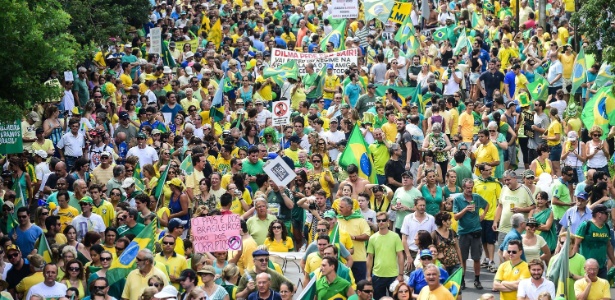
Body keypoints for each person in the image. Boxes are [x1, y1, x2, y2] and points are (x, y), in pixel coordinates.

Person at [453, 178, 489, 289]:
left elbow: (487, 204)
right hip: (463, 232)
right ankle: (462, 280)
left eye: (471, 188)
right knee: (462, 258)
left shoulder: (477, 197)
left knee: (477, 258)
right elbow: (455, 217)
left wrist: (483, 215)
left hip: (476, 231)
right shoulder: (458, 199)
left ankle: (477, 280)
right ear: (463, 188)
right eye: (467, 188)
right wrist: (465, 209)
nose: (469, 190)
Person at [366, 212, 405, 299]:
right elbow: (370, 257)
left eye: (383, 220)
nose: (381, 222)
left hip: (393, 275)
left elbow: (400, 256)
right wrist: (368, 275)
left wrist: (401, 274)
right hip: (377, 275)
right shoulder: (372, 238)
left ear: (387, 221)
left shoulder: (395, 237)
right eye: (379, 220)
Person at [573, 204, 615, 279]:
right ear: (599, 214)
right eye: (606, 213)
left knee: (602, 288)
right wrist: (575, 263)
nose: (608, 215)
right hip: (588, 267)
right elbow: (576, 245)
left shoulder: (606, 227)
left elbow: (608, 246)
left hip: (601, 266)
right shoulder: (586, 225)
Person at [337, 197, 371, 282]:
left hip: (358, 259)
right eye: (339, 206)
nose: (339, 209)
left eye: (341, 207)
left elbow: (367, 236)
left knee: (359, 286)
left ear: (349, 208)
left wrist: (354, 237)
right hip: (342, 260)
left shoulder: (360, 220)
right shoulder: (338, 219)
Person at [401, 197, 436, 266]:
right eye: (420, 205)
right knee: (408, 275)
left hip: (426, 253)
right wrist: (408, 256)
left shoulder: (431, 218)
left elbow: (433, 237)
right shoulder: (408, 218)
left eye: (424, 205)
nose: (422, 207)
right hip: (411, 252)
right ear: (415, 206)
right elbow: (404, 239)